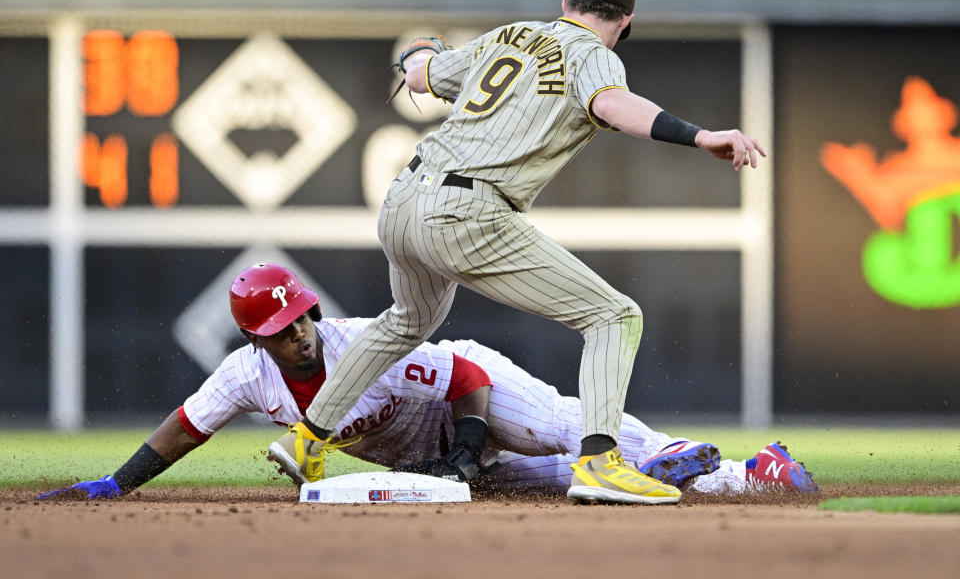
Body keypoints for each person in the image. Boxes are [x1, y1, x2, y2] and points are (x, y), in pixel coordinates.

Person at [271, 0, 767, 504]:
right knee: (614, 315)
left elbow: (420, 75)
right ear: (625, 22)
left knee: (408, 319)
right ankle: (600, 461)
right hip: (466, 211)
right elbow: (612, 105)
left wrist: (416, 54)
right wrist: (700, 137)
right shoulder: (596, 56)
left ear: (564, 1)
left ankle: (306, 439)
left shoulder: (511, 35)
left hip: (403, 198)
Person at [38, 263, 814, 502]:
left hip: (469, 398)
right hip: (425, 456)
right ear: (256, 339)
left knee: (564, 432)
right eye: (280, 329)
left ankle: (679, 448)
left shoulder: (363, 345)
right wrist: (117, 482)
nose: (299, 332)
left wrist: (470, 448)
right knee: (560, 486)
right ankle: (750, 479)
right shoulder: (246, 378)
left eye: (302, 316)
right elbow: (185, 427)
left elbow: (465, 376)